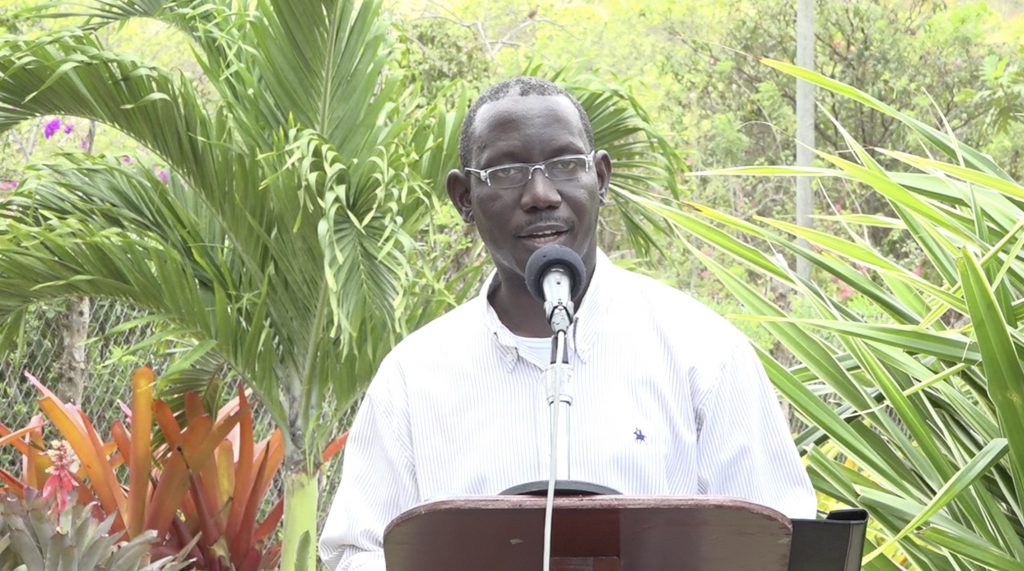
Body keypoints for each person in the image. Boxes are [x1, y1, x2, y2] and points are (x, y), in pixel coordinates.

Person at [318, 77, 816, 571]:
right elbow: (357, 553)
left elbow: (778, 542)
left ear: (600, 177)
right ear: (464, 197)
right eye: (507, 171)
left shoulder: (703, 353)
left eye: (565, 164)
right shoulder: (413, 377)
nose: (541, 194)